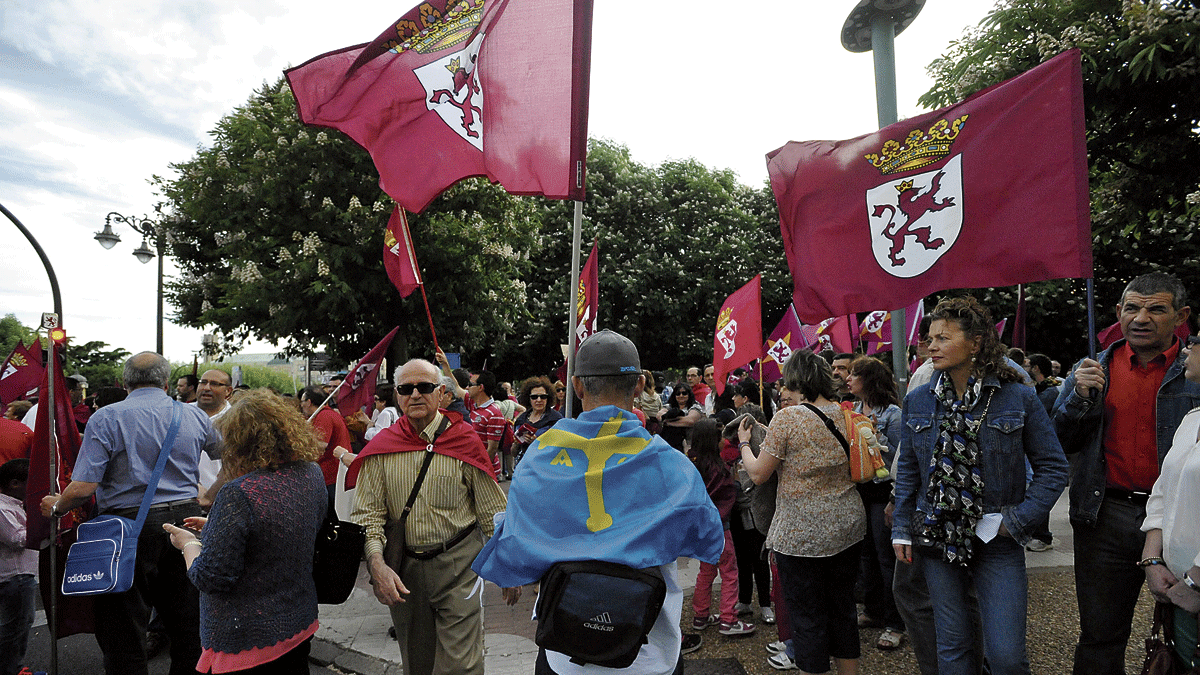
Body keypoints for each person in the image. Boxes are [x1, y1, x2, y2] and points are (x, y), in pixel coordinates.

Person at [473, 329, 724, 675]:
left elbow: (516, 547)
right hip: (652, 656)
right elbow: (710, 541)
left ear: (576, 386)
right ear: (638, 385)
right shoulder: (672, 466)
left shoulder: (540, 456)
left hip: (566, 655)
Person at [893, 297, 1068, 675]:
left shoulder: (1017, 396)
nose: (931, 345)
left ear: (975, 343)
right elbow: (908, 469)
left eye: (942, 337)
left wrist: (1015, 521)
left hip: (997, 541)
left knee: (1006, 657)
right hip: (937, 536)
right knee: (953, 648)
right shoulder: (918, 401)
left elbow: (1054, 468)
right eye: (929, 337)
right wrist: (902, 529)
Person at [1053, 272, 1200, 675]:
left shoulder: (1195, 372)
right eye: (1132, 308)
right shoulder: (1091, 370)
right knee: (1100, 635)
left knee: (1188, 632)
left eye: (1156, 309)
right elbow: (1058, 441)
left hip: (1183, 521)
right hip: (1106, 517)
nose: (1141, 318)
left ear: (1180, 315)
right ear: (1118, 313)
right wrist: (1079, 399)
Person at [40, 351, 221, 675]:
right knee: (189, 624)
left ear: (125, 383)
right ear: (165, 382)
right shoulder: (194, 416)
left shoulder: (107, 417)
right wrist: (209, 494)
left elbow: (84, 487)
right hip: (188, 524)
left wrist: (55, 506)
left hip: (126, 529)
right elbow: (230, 457)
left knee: (123, 630)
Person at [350, 359, 511, 675]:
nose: (415, 395)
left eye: (424, 387)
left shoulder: (464, 440)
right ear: (398, 396)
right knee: (418, 664)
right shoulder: (382, 448)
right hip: (404, 571)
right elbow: (367, 516)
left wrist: (507, 562)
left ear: (441, 394)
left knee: (462, 667)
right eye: (406, 389)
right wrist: (377, 564)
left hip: (459, 567)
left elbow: (492, 509)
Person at [162, 389, 326, 673]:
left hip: (248, 638)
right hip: (299, 622)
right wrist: (217, 528)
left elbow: (211, 577)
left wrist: (189, 543)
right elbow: (286, 530)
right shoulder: (310, 472)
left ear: (238, 442)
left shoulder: (239, 493)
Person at [737, 349, 865, 675]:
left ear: (797, 379)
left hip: (801, 534)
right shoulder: (845, 414)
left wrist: (743, 444)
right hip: (848, 526)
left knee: (807, 617)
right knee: (843, 608)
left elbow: (758, 474)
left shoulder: (788, 418)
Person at [1140, 328, 1200, 669]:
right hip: (1179, 590)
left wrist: (1195, 581)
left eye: (1195, 342)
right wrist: (1152, 558)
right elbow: (1163, 491)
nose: (1186, 348)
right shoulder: (1191, 420)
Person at [845, 356, 906, 651]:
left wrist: (875, 440)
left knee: (886, 558)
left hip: (883, 492)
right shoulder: (851, 411)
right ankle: (872, 610)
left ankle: (896, 623)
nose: (848, 379)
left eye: (854, 374)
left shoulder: (893, 414)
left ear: (869, 380)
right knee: (866, 555)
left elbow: (902, 457)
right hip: (859, 490)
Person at [688, 418, 755, 636]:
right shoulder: (721, 470)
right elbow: (728, 497)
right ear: (713, 441)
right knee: (729, 573)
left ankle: (700, 616)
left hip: (700, 530)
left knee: (705, 572)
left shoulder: (691, 464)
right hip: (721, 529)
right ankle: (728, 619)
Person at [0, 458, 36, 675]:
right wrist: (41, 527)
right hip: (15, 575)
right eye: (29, 482)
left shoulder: (13, 506)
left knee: (20, 625)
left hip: (20, 575)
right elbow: (17, 538)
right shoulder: (3, 508)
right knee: (15, 627)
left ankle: (13, 666)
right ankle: (9, 669)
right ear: (14, 483)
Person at [299, 385, 352, 515]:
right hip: (332, 474)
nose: (301, 405)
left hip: (331, 475)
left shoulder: (324, 416)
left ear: (309, 402)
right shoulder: (326, 414)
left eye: (302, 401)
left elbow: (320, 445)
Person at [512, 377, 563, 468]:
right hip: (522, 469)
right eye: (534, 397)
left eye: (543, 397)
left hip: (545, 469)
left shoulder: (556, 419)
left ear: (548, 398)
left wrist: (537, 442)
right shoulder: (521, 419)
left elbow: (561, 449)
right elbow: (513, 453)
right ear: (529, 398)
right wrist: (516, 443)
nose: (539, 400)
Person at [660, 382, 703, 452]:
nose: (681, 395)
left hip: (689, 445)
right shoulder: (669, 406)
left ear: (689, 394)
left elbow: (690, 421)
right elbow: (659, 416)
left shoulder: (695, 406)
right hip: (668, 444)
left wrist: (667, 422)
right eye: (678, 393)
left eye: (684, 393)